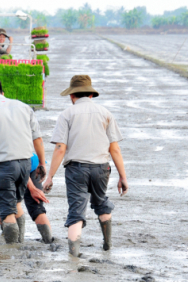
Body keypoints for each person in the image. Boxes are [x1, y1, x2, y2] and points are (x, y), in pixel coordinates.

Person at [42, 75, 129, 257]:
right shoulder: (105, 113)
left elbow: (60, 148)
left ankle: (73, 256)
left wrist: (50, 176)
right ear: (90, 94)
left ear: (72, 96)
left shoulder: (67, 114)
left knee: (76, 210)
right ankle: (107, 245)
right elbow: (115, 149)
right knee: (100, 202)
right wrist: (123, 176)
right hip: (101, 168)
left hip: (76, 170)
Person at [0, 78, 46, 244]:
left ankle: (12, 252)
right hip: (25, 164)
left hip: (4, 166)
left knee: (7, 211)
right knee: (16, 202)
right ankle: (19, 242)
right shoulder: (24, 107)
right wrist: (41, 163)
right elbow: (38, 139)